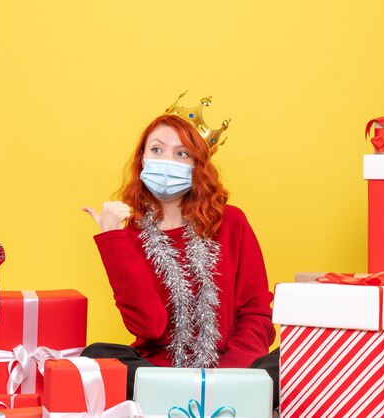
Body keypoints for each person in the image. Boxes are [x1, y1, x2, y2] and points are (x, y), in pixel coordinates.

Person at [82, 93, 279, 406]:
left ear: (197, 165)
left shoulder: (232, 221)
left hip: (233, 369)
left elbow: (257, 312)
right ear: (142, 159)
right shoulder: (129, 232)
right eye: (157, 150)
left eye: (181, 154)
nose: (166, 162)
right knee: (95, 358)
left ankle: (189, 400)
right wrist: (112, 240)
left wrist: (223, 379)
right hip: (158, 372)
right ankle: (188, 398)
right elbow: (149, 327)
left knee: (293, 361)